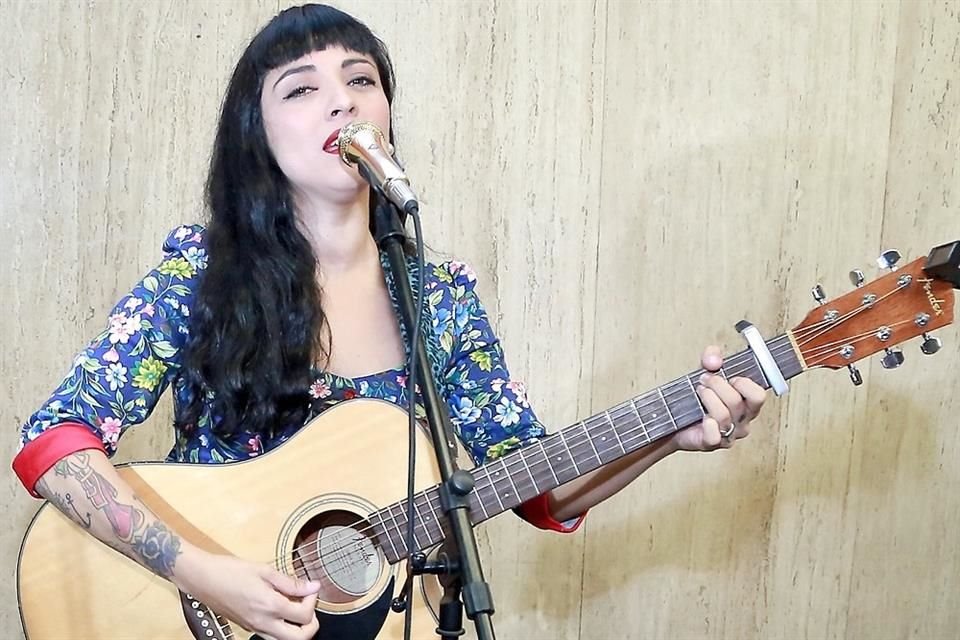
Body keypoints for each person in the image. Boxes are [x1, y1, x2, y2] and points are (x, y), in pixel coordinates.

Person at [12, 4, 767, 640]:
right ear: (259, 136)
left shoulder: (437, 299)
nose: (342, 101)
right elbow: (53, 444)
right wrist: (207, 574)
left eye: (361, 79)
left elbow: (535, 486)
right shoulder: (203, 278)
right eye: (302, 89)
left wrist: (674, 433)